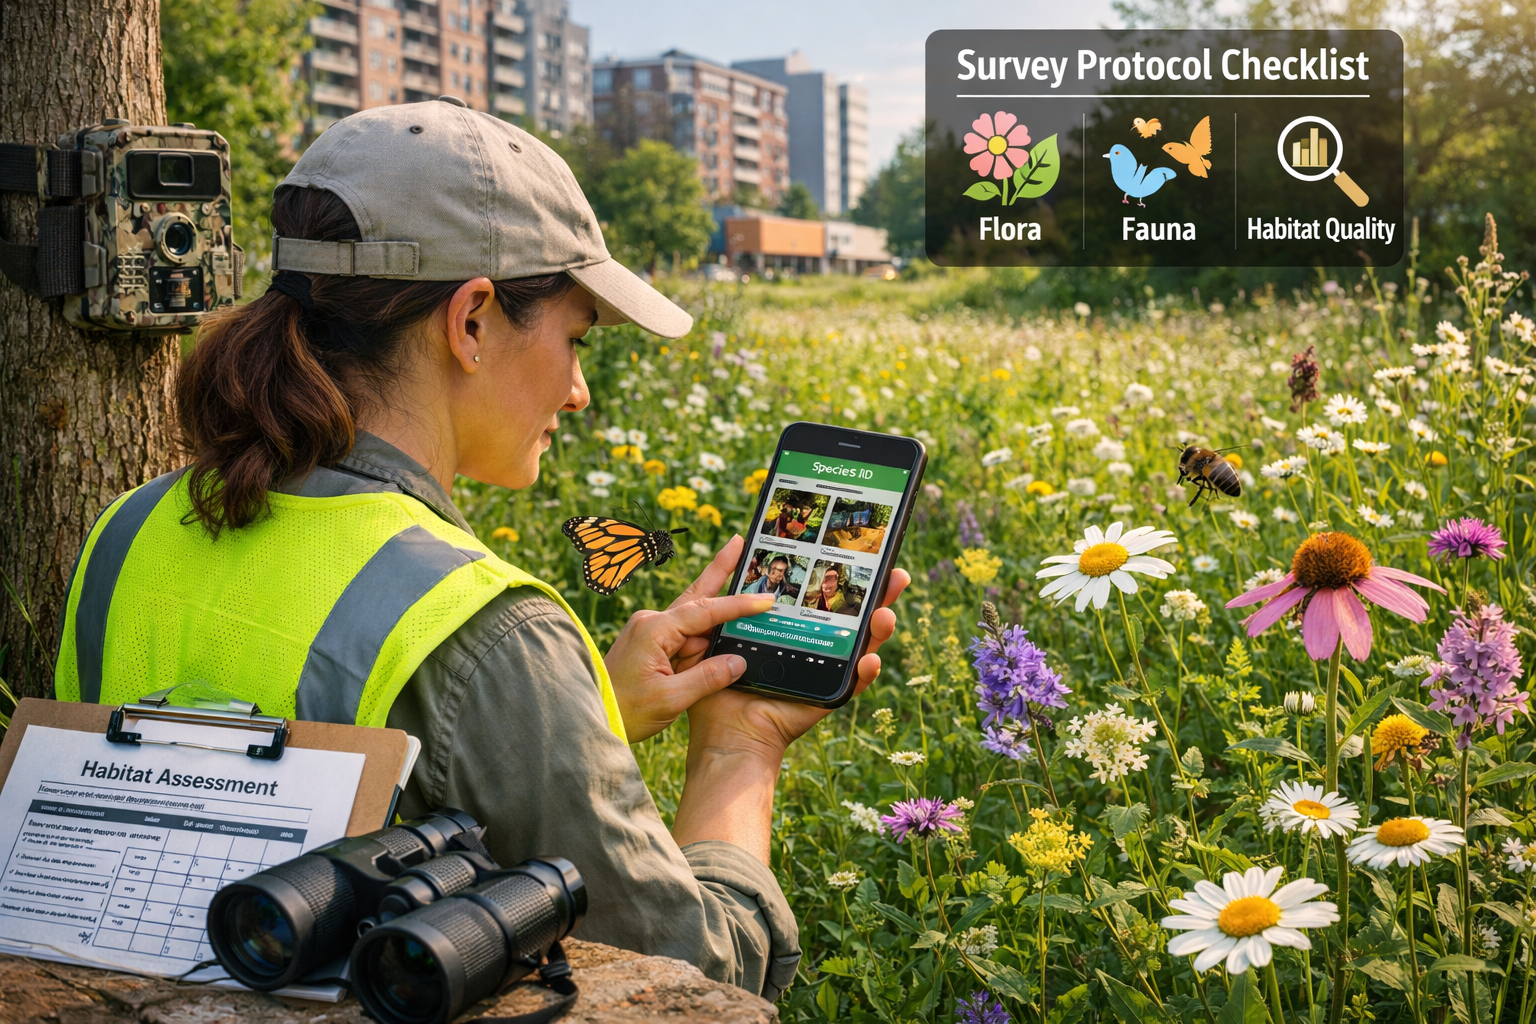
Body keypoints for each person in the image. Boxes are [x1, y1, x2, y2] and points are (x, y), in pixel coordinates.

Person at [50, 100, 908, 1000]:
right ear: (471, 321)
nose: (578, 392)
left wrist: (583, 713)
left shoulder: (126, 533)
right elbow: (692, 984)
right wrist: (741, 751)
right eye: (576, 340)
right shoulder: (490, 634)